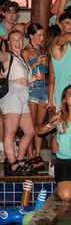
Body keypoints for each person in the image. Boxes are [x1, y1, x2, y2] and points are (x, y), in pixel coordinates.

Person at [0, 31, 40, 176]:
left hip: (23, 94)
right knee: (10, 132)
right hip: (13, 94)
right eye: (13, 39)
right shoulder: (8, 56)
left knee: (30, 131)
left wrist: (34, 78)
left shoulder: (21, 58)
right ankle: (13, 163)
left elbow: (25, 78)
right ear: (8, 42)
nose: (17, 41)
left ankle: (20, 160)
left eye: (19, 39)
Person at [22, 23, 48, 168]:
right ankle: (30, 154)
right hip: (32, 88)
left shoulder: (41, 49)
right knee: (31, 125)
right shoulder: (26, 51)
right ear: (31, 36)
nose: (41, 38)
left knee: (40, 124)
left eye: (43, 35)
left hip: (43, 87)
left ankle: (38, 153)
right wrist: (35, 63)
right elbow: (22, 72)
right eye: (38, 35)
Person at [49, 12, 71, 113]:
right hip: (61, 94)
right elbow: (51, 79)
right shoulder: (58, 41)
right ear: (60, 26)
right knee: (63, 127)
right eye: (67, 23)